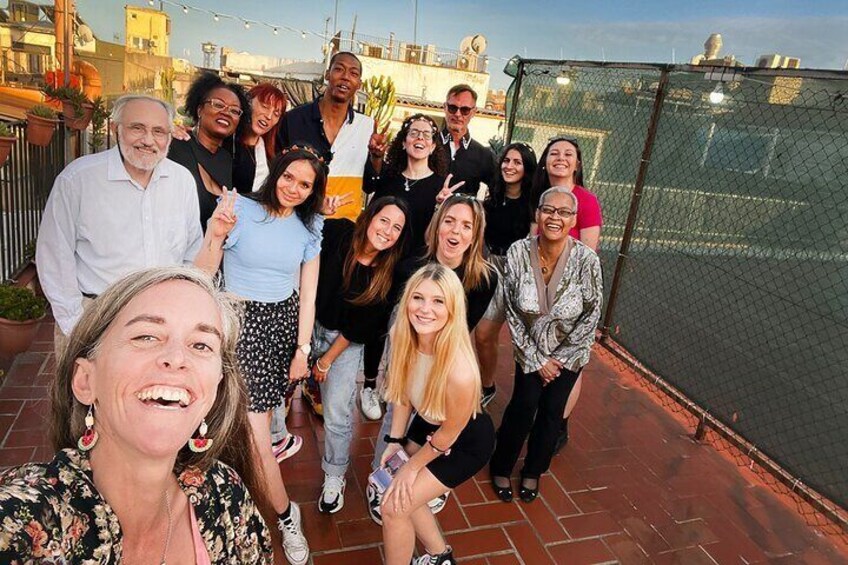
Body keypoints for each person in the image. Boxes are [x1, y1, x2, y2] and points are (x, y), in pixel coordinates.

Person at [0, 266, 272, 563]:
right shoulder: (24, 522)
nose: (176, 358)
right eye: (146, 336)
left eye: (201, 344)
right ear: (85, 381)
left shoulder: (225, 495)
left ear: (215, 392)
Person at [194, 146, 328, 565]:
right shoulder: (240, 207)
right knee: (212, 422)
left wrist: (303, 349)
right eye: (290, 177)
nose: (294, 188)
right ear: (276, 173)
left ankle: (286, 516)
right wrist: (215, 233)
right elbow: (200, 274)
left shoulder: (310, 227)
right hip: (233, 321)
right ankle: (228, 508)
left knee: (255, 437)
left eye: (305, 184)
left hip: (278, 329)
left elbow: (308, 293)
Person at [36, 94, 202, 356]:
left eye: (158, 131)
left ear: (169, 136)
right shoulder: (79, 179)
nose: (148, 140)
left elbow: (192, 251)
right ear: (116, 129)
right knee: (86, 397)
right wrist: (77, 325)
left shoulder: (182, 181)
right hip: (95, 315)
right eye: (137, 128)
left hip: (161, 320)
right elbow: (54, 256)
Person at [368, 194, 496, 523]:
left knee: (442, 419)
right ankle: (382, 473)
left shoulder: (483, 278)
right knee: (397, 409)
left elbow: (461, 333)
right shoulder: (411, 267)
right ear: (438, 225)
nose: (456, 230)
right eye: (450, 220)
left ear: (475, 234)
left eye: (467, 225)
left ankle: (434, 482)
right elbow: (400, 322)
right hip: (407, 352)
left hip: (444, 360)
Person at [489, 187, 602, 504]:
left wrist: (561, 359)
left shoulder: (586, 260)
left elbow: (592, 312)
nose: (555, 217)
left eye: (564, 212)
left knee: (553, 413)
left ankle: (533, 471)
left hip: (570, 355)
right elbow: (512, 310)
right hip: (530, 352)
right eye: (548, 210)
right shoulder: (517, 253)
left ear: (573, 219)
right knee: (523, 406)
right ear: (537, 214)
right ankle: (501, 465)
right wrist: (538, 359)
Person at [379, 263, 495, 565]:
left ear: (452, 308)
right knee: (404, 492)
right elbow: (403, 391)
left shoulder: (460, 372)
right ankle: (440, 557)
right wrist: (395, 439)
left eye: (438, 301)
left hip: (464, 439)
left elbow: (447, 437)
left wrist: (411, 468)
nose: (424, 309)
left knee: (394, 506)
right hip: (428, 423)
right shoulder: (402, 334)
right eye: (418, 298)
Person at [312, 196, 410, 514]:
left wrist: (325, 361)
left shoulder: (387, 276)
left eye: (396, 228)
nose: (387, 231)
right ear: (369, 217)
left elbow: (357, 330)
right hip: (307, 324)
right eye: (384, 220)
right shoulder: (338, 232)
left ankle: (334, 475)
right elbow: (303, 238)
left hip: (343, 343)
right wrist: (317, 212)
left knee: (338, 415)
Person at [531, 136, 604, 452]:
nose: (560, 158)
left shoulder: (585, 201)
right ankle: (542, 417)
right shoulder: (539, 198)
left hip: (570, 299)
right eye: (553, 153)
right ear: (545, 161)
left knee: (568, 365)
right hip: (539, 297)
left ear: (577, 163)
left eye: (568, 154)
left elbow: (588, 254)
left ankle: (557, 425)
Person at [278, 51, 387, 221]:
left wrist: (377, 157)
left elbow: (369, 185)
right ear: (328, 74)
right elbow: (277, 171)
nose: (345, 77)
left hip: (344, 228)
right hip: (297, 220)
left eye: (353, 73)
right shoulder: (294, 119)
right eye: (339, 69)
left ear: (359, 84)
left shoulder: (365, 126)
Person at [475, 142, 538, 407]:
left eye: (517, 162)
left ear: (527, 169)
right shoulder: (492, 199)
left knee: (527, 340)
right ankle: (487, 385)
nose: (509, 166)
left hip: (521, 273)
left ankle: (530, 398)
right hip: (491, 267)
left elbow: (534, 245)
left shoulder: (533, 204)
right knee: (483, 334)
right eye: (506, 161)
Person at [365, 113, 465, 256]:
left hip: (417, 264)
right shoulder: (388, 178)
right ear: (404, 143)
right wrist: (376, 156)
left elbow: (437, 237)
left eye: (426, 135)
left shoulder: (441, 187)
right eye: (414, 133)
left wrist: (442, 206)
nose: (420, 138)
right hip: (380, 260)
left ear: (432, 147)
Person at [168, 72, 251, 230]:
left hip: (209, 251)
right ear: (199, 109)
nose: (226, 112)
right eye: (218, 105)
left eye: (234, 111)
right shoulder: (175, 146)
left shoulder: (225, 159)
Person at [438, 84, 497, 197]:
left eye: (465, 110)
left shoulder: (483, 155)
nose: (458, 114)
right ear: (445, 107)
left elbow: (499, 189)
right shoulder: (428, 145)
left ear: (473, 112)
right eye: (452, 108)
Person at [232, 82, 288, 192]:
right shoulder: (225, 140)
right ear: (248, 103)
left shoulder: (271, 155)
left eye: (276, 114)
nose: (269, 116)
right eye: (265, 106)